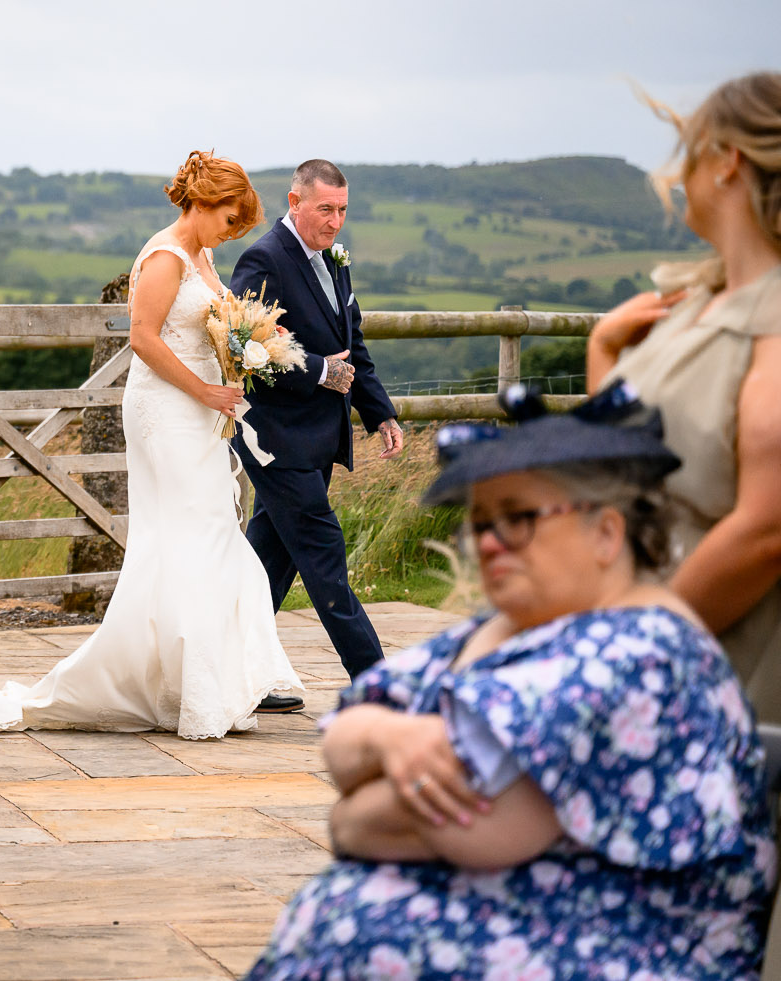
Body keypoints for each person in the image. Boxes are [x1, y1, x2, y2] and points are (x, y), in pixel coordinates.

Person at [248, 383, 775, 981]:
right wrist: (386, 738)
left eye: (519, 518)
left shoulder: (638, 652)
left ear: (606, 533)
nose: (492, 541)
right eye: (481, 522)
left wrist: (351, 814)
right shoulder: (520, 628)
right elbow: (347, 732)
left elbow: (475, 831)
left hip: (621, 948)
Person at [0, 151, 302, 739]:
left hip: (200, 412)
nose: (231, 234)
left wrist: (249, 345)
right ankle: (183, 691)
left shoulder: (200, 256)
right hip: (167, 412)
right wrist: (203, 388)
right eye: (229, 219)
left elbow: (208, 326)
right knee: (195, 534)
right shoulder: (163, 257)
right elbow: (143, 340)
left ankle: (190, 686)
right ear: (203, 204)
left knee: (204, 537)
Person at [585, 74, 781, 719]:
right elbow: (619, 452)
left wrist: (628, 647)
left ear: (728, 162)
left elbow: (766, 526)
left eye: (688, 152)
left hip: (710, 658)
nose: (674, 174)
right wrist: (604, 352)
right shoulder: (698, 299)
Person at [231, 159, 403, 681]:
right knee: (325, 557)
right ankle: (378, 684)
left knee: (267, 566)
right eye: (325, 209)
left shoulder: (334, 260)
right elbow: (242, 346)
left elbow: (352, 347)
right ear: (295, 202)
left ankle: (232, 670)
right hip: (275, 440)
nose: (335, 221)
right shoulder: (263, 259)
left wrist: (380, 413)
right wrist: (317, 370)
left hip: (317, 439)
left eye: (343, 210)